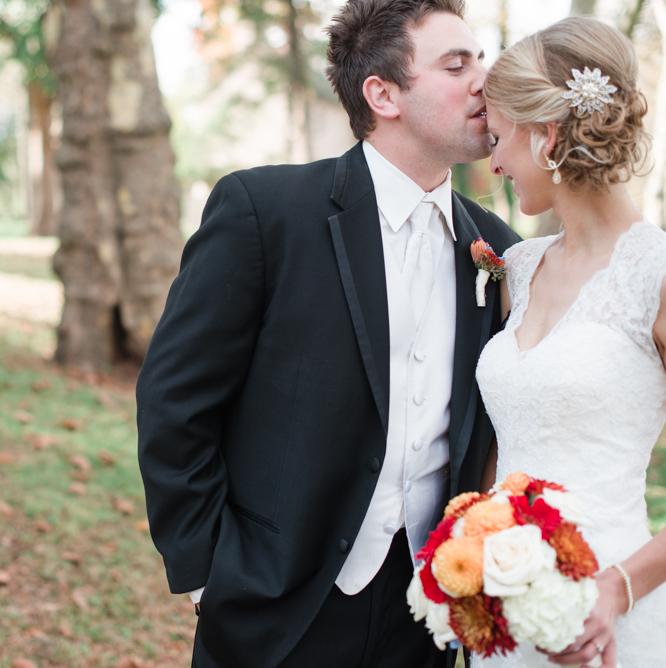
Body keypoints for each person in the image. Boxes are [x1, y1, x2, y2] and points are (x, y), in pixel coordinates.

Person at [136, 0, 519, 665]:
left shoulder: (499, 249)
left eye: (480, 59)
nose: (483, 80)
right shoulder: (266, 213)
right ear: (383, 94)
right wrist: (208, 573)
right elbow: (175, 402)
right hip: (275, 604)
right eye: (456, 65)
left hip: (425, 616)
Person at [476, 16, 666, 668]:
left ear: (547, 136)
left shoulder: (657, 274)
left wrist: (616, 590)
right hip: (501, 611)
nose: (493, 160)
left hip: (610, 617)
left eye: (499, 138)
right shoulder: (519, 268)